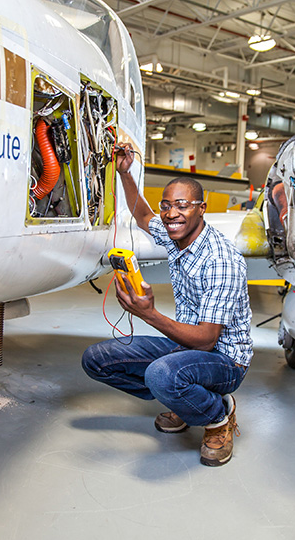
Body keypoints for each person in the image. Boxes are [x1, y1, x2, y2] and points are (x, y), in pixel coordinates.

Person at [81, 145, 253, 467]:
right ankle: (187, 401)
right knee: (96, 361)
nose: (171, 213)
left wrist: (148, 313)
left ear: (201, 209)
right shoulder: (176, 234)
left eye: (182, 205)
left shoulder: (221, 260)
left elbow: (206, 340)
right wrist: (123, 172)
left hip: (225, 360)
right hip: (183, 348)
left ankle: (218, 415)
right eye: (167, 205)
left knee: (162, 375)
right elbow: (143, 215)